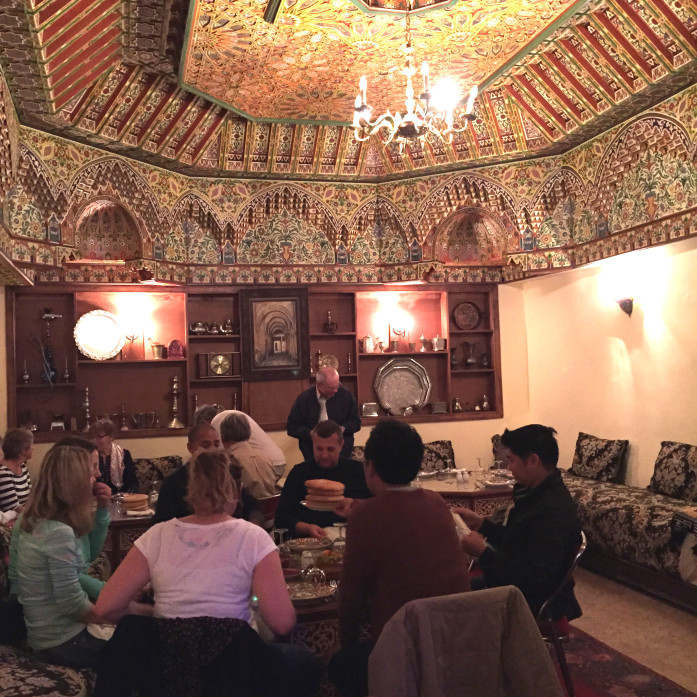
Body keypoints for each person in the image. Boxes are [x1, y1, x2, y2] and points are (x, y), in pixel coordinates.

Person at [94, 450, 320, 697]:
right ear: (236, 489)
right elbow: (282, 621)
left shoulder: (157, 535)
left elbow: (105, 607)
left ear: (191, 489)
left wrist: (147, 611)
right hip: (233, 671)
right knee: (302, 661)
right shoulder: (253, 537)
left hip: (167, 673)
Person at [329, 420, 470, 697]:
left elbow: (351, 596)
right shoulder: (436, 502)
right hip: (454, 639)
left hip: (405, 648)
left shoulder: (367, 515)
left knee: (339, 665)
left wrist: (347, 643)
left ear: (369, 466)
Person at [456, 424, 582, 621]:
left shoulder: (552, 510)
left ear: (533, 461)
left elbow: (535, 579)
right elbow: (519, 541)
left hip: (529, 599)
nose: (509, 467)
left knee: (447, 602)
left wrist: (483, 552)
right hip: (513, 586)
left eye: (511, 460)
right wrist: (481, 523)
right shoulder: (535, 495)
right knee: (450, 586)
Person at [8, 446, 116, 668]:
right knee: (143, 641)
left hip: (47, 639)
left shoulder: (37, 521)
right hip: (63, 644)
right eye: (90, 472)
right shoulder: (58, 531)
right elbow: (73, 605)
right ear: (74, 481)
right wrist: (119, 614)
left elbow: (79, 571)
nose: (95, 477)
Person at [275, 420, 371, 539]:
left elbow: (374, 510)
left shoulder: (357, 471)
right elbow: (281, 517)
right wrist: (306, 527)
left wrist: (355, 506)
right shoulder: (299, 473)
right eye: (319, 449)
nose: (324, 455)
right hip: (309, 541)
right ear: (313, 445)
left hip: (351, 538)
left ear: (341, 445)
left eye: (330, 449)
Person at [153, 423, 262, 525]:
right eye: (206, 445)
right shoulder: (174, 483)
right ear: (190, 448)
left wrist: (253, 523)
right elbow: (163, 522)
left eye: (216, 444)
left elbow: (252, 505)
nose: (212, 450)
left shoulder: (228, 476)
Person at [56, 436, 113, 601]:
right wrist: (116, 593)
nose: (99, 473)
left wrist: (102, 508)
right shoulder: (53, 525)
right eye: (94, 466)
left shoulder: (73, 509)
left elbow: (91, 555)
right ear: (74, 471)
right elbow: (73, 578)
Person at [286, 367, 361, 462]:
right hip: (312, 455)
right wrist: (310, 433)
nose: (336, 390)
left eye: (337, 385)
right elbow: (292, 427)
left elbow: (356, 423)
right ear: (319, 384)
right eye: (331, 387)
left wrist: (343, 428)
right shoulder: (303, 399)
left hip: (342, 455)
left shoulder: (346, 396)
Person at [212, 408, 287, 479]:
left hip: (271, 466)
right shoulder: (232, 415)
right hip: (273, 462)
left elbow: (220, 454)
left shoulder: (218, 420)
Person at [220, 412, 279, 499]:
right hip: (271, 510)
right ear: (249, 434)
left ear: (222, 436)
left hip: (246, 510)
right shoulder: (265, 456)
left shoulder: (229, 461)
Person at [90, 417, 138, 494]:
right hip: (96, 499)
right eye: (93, 437)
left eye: (99, 436)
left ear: (111, 437)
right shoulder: (90, 455)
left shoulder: (124, 454)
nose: (94, 441)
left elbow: (132, 484)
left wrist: (127, 496)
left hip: (120, 499)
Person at [0, 429, 34, 519]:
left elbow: (31, 497)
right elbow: (14, 508)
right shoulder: (3, 472)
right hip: (12, 523)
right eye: (31, 445)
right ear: (22, 449)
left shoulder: (23, 467)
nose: (33, 448)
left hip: (24, 517)